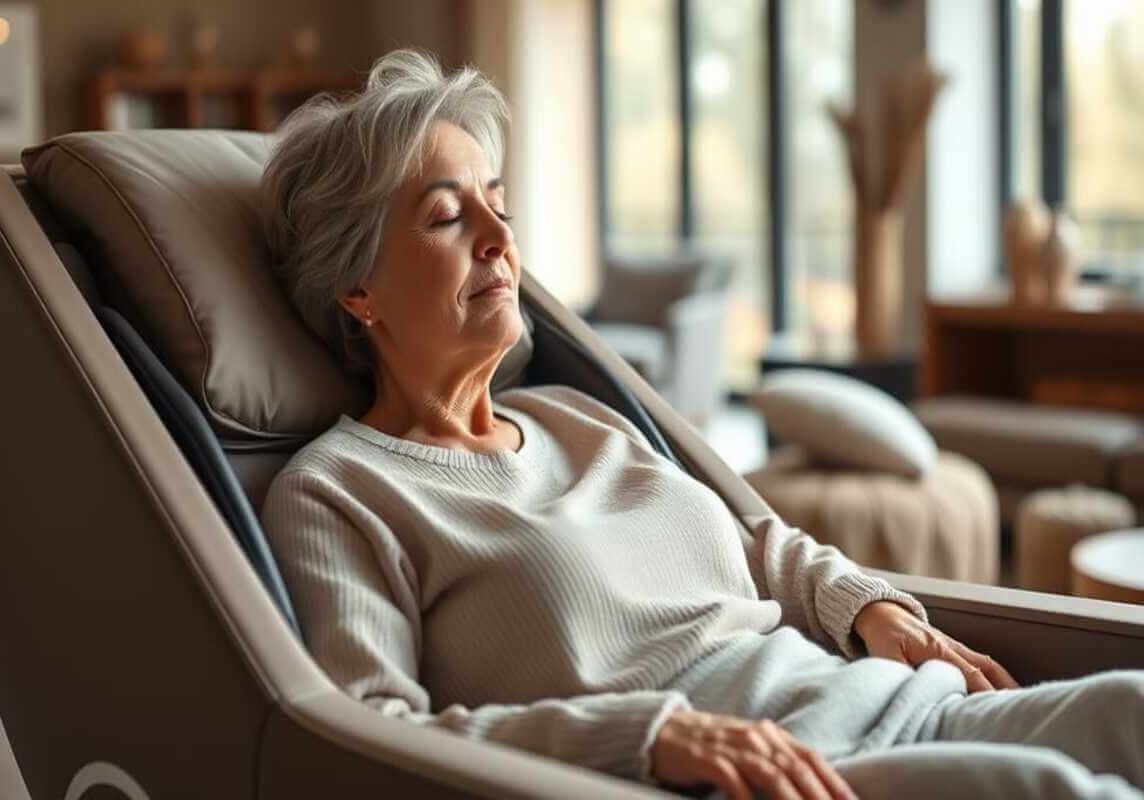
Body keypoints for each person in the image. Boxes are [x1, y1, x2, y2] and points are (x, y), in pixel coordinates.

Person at [259, 49, 1144, 800]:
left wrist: (863, 601)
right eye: (449, 216)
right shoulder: (340, 494)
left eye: (498, 202)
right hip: (798, 775)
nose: (499, 236)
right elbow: (372, 736)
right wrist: (654, 737)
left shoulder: (574, 419)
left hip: (893, 700)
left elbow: (755, 543)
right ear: (357, 287)